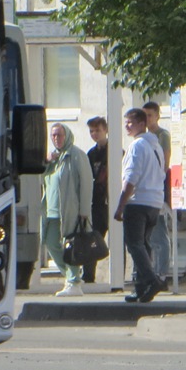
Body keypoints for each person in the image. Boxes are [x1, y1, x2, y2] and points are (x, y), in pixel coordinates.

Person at [115, 107, 168, 303]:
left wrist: (121, 205)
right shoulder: (156, 146)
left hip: (138, 202)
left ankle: (151, 280)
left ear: (141, 124)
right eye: (126, 122)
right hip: (154, 202)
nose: (127, 125)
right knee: (144, 245)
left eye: (131, 122)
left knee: (135, 244)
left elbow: (131, 178)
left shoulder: (137, 145)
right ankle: (141, 287)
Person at [41, 122, 94, 297]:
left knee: (71, 246)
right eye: (53, 135)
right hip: (51, 211)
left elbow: (86, 184)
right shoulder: (53, 159)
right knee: (50, 243)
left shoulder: (77, 155)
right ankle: (72, 277)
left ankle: (73, 282)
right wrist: (46, 162)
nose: (56, 138)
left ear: (67, 135)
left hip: (70, 210)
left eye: (60, 135)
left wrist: (84, 210)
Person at [143, 101, 172, 285]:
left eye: (150, 115)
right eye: (144, 115)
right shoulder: (143, 137)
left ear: (157, 116)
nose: (147, 119)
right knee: (150, 235)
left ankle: (162, 274)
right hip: (146, 189)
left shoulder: (162, 135)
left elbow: (165, 162)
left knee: (160, 233)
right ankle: (153, 272)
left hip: (158, 188)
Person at [83, 116, 110, 284]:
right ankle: (88, 276)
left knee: (116, 240)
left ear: (105, 130)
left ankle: (118, 277)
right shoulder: (91, 153)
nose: (94, 134)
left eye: (97, 130)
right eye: (92, 131)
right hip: (96, 202)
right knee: (92, 239)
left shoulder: (114, 151)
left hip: (111, 201)